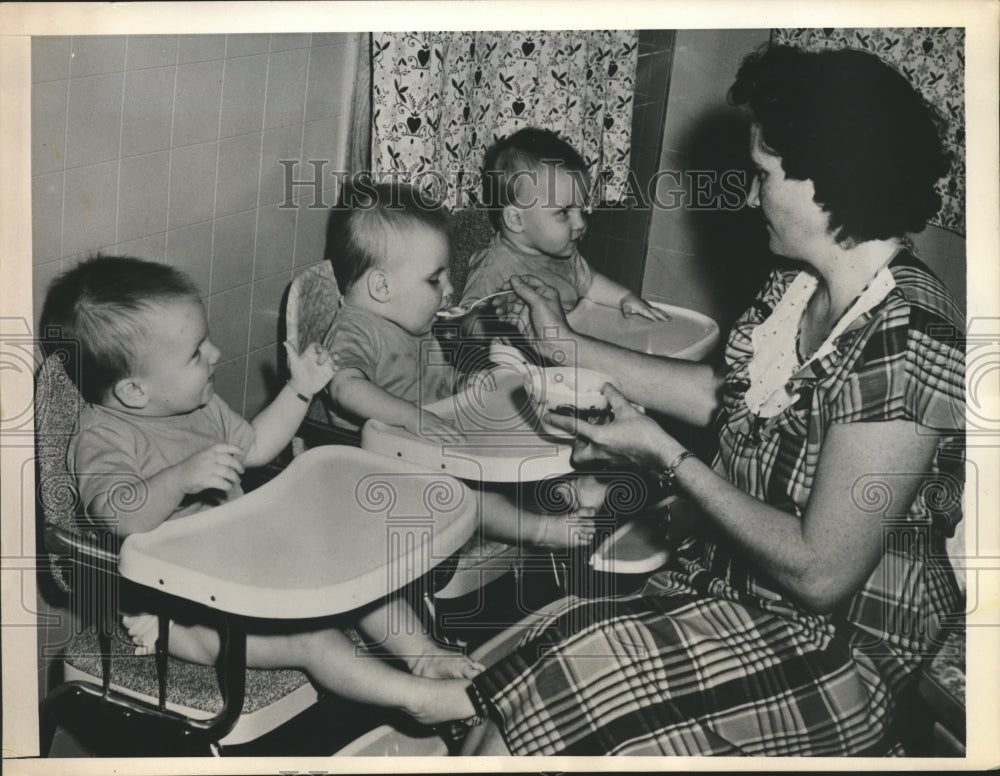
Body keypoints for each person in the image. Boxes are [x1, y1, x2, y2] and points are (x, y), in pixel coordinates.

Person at [434, 44, 966, 756]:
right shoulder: (803, 286)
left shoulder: (908, 338)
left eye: (762, 176)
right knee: (512, 710)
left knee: (530, 722)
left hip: (845, 643)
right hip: (738, 584)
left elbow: (821, 572)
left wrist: (661, 454)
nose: (749, 197)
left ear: (829, 182)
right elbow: (729, 395)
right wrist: (565, 346)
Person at [43, 254, 484, 726]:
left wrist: (300, 389)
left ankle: (422, 655)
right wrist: (178, 479)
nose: (214, 353)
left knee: (349, 569)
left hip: (249, 563)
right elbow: (119, 517)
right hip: (184, 609)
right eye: (196, 352)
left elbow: (255, 447)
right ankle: (416, 698)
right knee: (315, 641)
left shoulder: (198, 406)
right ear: (134, 392)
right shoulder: (102, 438)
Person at [323, 182, 600, 551]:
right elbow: (345, 387)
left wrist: (467, 382)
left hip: (433, 439)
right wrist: (410, 416)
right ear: (381, 286)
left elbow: (433, 379)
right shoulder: (355, 330)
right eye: (434, 279)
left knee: (511, 430)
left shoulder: (410, 321)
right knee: (462, 495)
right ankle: (540, 530)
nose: (449, 288)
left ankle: (561, 485)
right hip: (381, 462)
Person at [460, 127, 669, 320]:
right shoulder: (493, 268)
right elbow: (468, 322)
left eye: (582, 209)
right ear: (516, 219)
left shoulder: (565, 255)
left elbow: (591, 283)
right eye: (563, 212)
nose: (580, 223)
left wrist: (625, 298)